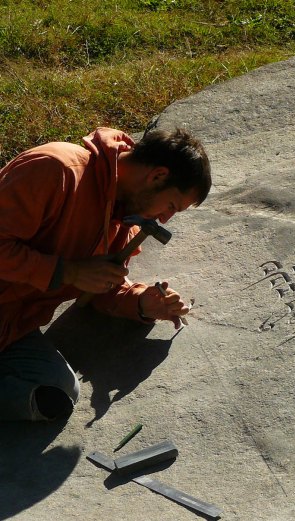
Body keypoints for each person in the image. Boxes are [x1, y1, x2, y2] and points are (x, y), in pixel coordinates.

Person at [0, 127, 211, 421]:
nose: (165, 219)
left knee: (58, 391)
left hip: (11, 328)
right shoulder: (56, 169)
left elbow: (100, 282)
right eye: (171, 206)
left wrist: (141, 302)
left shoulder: (123, 218)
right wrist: (68, 272)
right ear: (158, 176)